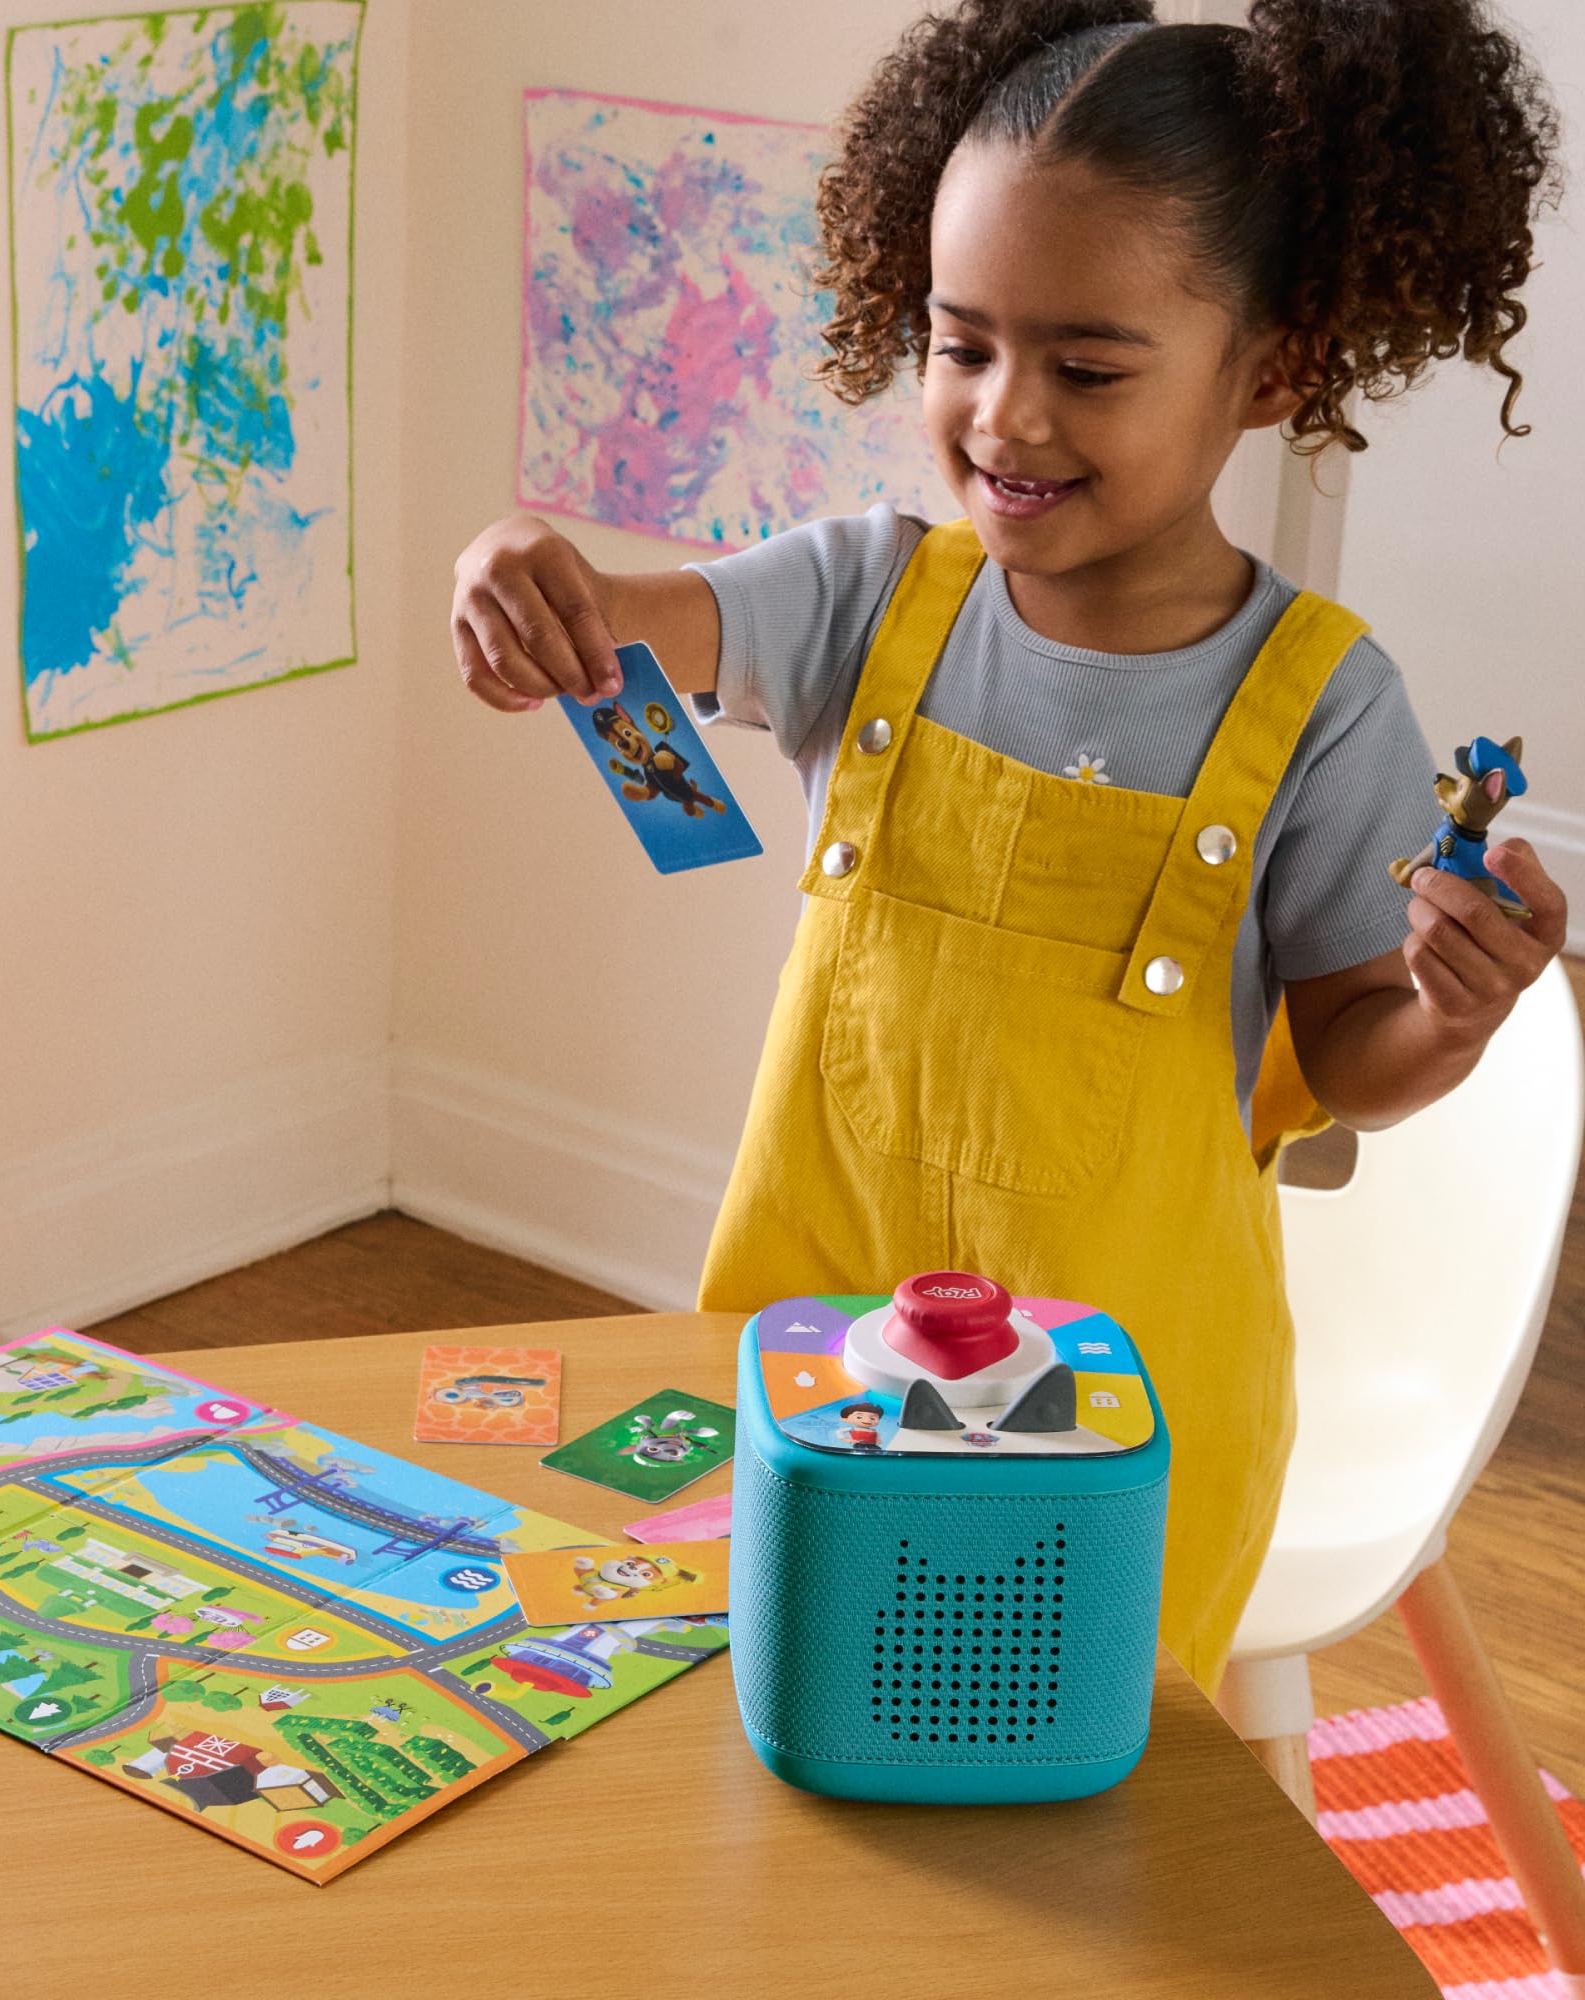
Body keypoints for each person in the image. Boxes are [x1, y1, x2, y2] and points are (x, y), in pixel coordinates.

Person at [446, 0, 1568, 1694]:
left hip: (1115, 1425)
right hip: (818, 1363)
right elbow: (617, 621)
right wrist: (525, 576)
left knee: (1056, 1783)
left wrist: (1454, 1014)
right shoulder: (862, 598)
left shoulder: (1326, 708)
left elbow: (1349, 1052)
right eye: (961, 345)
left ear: (1275, 369)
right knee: (774, 1720)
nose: (1004, 418)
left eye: (1087, 370)